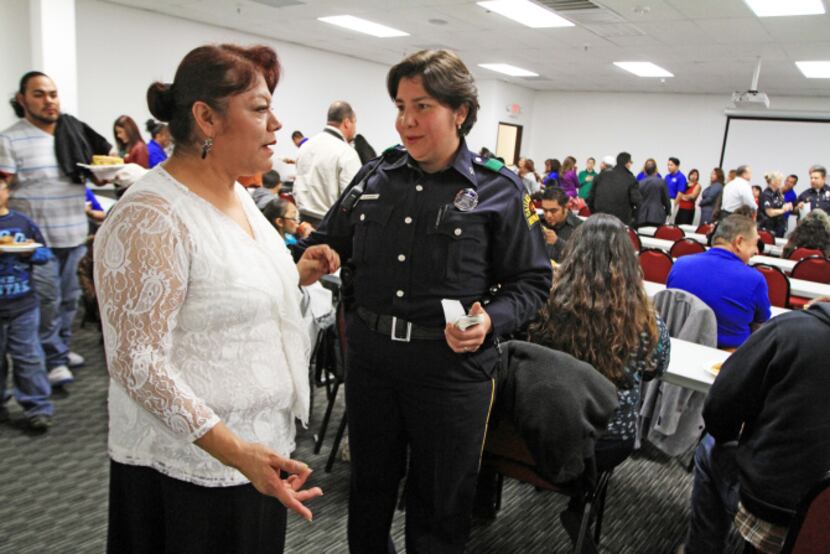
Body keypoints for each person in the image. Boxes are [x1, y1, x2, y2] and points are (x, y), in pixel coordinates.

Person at [294, 49, 551, 553]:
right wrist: (319, 253)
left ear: (459, 112)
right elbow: (326, 240)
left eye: (422, 107)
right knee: (368, 493)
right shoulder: (374, 176)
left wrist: (491, 321)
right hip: (372, 364)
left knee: (439, 506)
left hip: (451, 371)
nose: (406, 122)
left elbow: (532, 284)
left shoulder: (500, 189)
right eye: (400, 106)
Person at [94, 44, 337, 554]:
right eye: (259, 108)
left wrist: (293, 275)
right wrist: (234, 451)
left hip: (257, 450)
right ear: (206, 117)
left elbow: (214, 294)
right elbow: (136, 363)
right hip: (193, 465)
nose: (276, 124)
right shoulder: (151, 216)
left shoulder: (235, 192)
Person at [529, 213, 670, 553]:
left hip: (545, 427)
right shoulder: (646, 319)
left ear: (573, 253)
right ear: (628, 261)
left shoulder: (543, 303)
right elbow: (655, 368)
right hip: (609, 438)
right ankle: (581, 500)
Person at [682, 299, 830, 554]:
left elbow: (721, 406)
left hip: (777, 511)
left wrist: (733, 437)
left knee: (709, 447)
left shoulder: (788, 330)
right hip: (822, 517)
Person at [0, 71, 112, 387]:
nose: (49, 100)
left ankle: (60, 348)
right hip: (35, 243)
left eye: (53, 94)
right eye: (39, 94)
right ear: (22, 100)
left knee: (68, 300)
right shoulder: (9, 139)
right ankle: (53, 358)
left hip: (74, 232)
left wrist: (104, 176)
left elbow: (91, 175)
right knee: (46, 302)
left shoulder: (72, 133)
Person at [667, 215, 770, 349]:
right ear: (739, 242)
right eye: (756, 243)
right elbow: (761, 322)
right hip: (727, 359)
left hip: (677, 348)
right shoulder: (755, 280)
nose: (757, 251)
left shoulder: (679, 265)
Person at [0, 177, 54, 431]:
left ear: (7, 192)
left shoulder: (22, 223)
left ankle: (37, 407)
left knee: (28, 357)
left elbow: (44, 253)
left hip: (23, 304)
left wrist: (29, 253)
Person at [292, 101, 362, 227]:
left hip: (302, 225)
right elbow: (352, 200)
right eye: (355, 122)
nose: (355, 128)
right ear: (347, 122)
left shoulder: (305, 146)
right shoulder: (346, 152)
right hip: (329, 228)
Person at [587, 151, 641, 226]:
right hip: (620, 223)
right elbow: (638, 202)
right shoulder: (631, 179)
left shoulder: (601, 176)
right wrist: (632, 219)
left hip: (599, 219)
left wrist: (595, 214)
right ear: (628, 163)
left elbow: (590, 199)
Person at [540, 186, 582, 263]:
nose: (548, 215)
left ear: (566, 207)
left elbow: (580, 257)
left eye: (553, 211)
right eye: (545, 210)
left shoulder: (579, 227)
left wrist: (557, 242)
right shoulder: (538, 222)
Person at [635, 159, 671, 228]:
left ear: (645, 171)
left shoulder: (640, 183)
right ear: (655, 170)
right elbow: (666, 199)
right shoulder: (662, 182)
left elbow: (637, 200)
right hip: (657, 216)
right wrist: (668, 211)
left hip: (642, 216)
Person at [757, 171, 792, 238]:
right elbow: (770, 212)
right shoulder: (766, 194)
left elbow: (781, 204)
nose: (781, 183)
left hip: (779, 225)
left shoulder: (777, 193)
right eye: (779, 180)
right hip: (768, 227)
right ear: (773, 182)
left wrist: (787, 205)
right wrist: (783, 210)